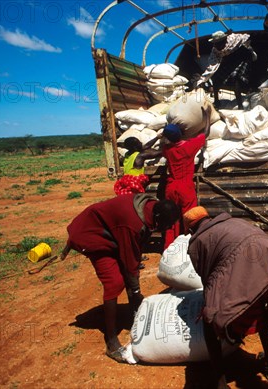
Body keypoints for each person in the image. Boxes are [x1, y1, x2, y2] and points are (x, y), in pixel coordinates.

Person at [183, 206, 268, 387]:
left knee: (209, 319)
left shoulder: (196, 244)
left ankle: (220, 382)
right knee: (261, 305)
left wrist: (214, 306)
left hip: (252, 263)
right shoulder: (234, 221)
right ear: (209, 217)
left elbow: (208, 279)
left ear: (190, 229)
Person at [59, 195, 181, 362]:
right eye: (166, 225)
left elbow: (133, 251)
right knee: (114, 281)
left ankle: (133, 311)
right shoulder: (133, 224)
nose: (166, 229)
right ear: (158, 217)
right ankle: (111, 342)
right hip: (91, 235)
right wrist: (136, 290)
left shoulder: (150, 208)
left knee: (128, 269)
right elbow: (130, 260)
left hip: (109, 232)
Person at [162, 108, 210, 248]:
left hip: (170, 187)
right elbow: (205, 133)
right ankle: (188, 244)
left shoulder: (167, 150)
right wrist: (206, 117)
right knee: (189, 216)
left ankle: (169, 246)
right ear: (181, 134)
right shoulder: (189, 146)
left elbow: (163, 145)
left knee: (171, 217)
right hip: (185, 187)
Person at [197, 30, 257, 109]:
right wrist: (202, 79)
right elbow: (212, 65)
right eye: (214, 43)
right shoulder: (215, 50)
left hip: (243, 58)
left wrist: (248, 47)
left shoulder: (234, 39)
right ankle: (216, 101)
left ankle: (240, 105)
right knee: (216, 76)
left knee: (235, 77)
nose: (215, 45)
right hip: (231, 61)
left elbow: (247, 38)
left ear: (224, 40)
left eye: (217, 43)